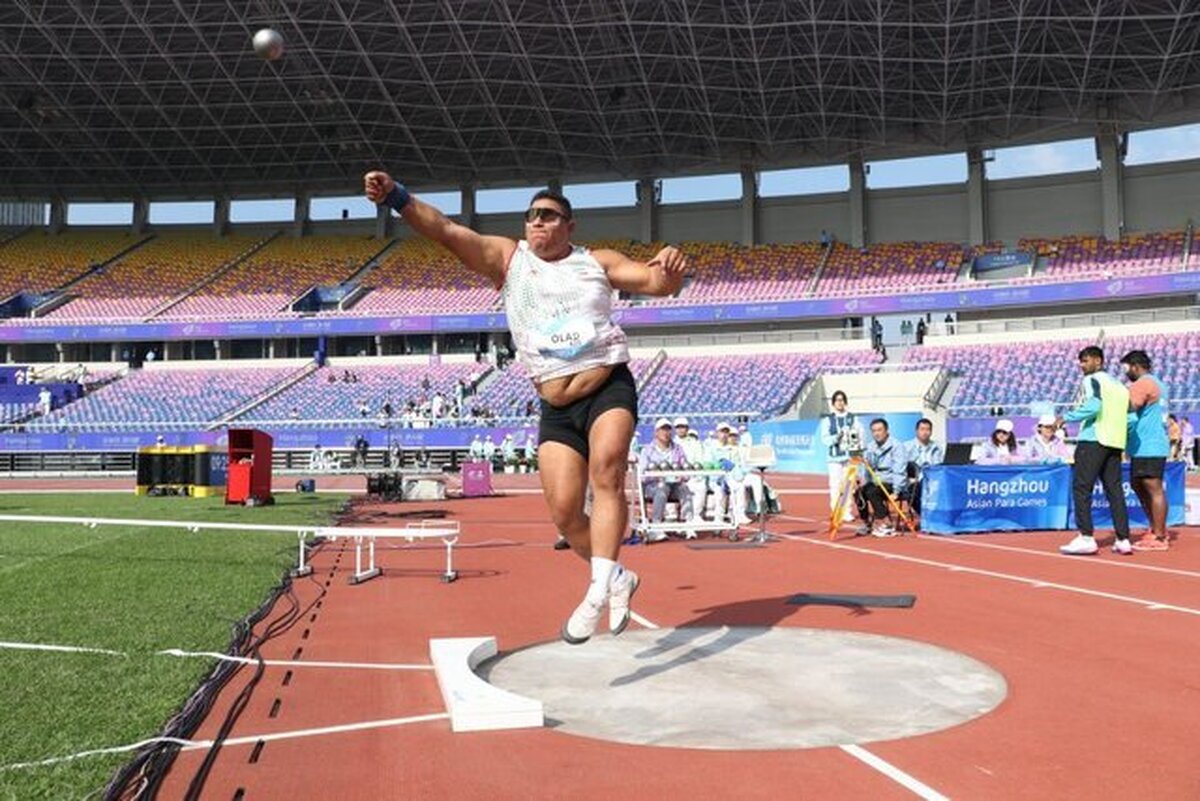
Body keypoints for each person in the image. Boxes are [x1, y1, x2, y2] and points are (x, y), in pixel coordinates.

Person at [365, 170, 685, 644]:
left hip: (607, 386)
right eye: (532, 216)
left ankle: (597, 591)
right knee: (564, 515)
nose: (537, 223)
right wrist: (397, 196)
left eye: (548, 216)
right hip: (555, 404)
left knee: (608, 470)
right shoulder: (509, 261)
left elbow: (656, 282)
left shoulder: (596, 262)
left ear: (569, 226)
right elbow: (447, 231)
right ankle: (618, 577)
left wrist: (670, 271)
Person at [1056, 346, 1132, 556]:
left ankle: (1086, 537)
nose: (1082, 365)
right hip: (1115, 442)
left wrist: (1066, 417)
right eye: (1080, 361)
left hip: (1094, 439)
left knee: (1082, 488)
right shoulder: (1120, 386)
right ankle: (1123, 538)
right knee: (1114, 491)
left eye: (1085, 360)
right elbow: (1131, 415)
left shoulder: (1092, 379)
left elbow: (1095, 405)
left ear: (1098, 361)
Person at [1122, 350, 1170, 551]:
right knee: (1139, 484)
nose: (1125, 374)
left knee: (1153, 487)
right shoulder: (1159, 383)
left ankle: (1159, 536)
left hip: (1148, 444)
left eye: (1126, 369)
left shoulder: (1143, 383)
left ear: (1135, 366)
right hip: (1148, 444)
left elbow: (1130, 406)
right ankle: (1156, 528)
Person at [638, 419, 692, 542]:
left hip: (674, 485)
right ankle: (656, 526)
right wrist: (657, 476)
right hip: (653, 487)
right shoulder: (647, 450)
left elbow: (684, 466)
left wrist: (683, 476)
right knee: (662, 488)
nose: (666, 432)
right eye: (663, 429)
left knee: (685, 489)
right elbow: (643, 473)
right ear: (656, 432)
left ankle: (688, 524)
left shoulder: (678, 448)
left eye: (668, 429)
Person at [854, 418, 907, 537]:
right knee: (859, 493)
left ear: (886, 431)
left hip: (892, 482)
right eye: (874, 431)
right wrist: (863, 480)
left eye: (879, 430)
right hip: (876, 480)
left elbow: (900, 470)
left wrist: (897, 491)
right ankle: (866, 523)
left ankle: (887, 523)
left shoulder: (897, 446)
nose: (877, 433)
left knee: (872, 491)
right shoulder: (870, 447)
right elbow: (867, 467)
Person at [820, 390, 863, 523]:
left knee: (848, 485)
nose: (840, 402)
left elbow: (860, 435)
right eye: (837, 400)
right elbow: (825, 439)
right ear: (833, 403)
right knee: (835, 484)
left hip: (849, 457)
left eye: (842, 400)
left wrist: (857, 453)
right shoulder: (828, 420)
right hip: (834, 458)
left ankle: (846, 511)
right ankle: (836, 510)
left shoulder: (853, 418)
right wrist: (836, 437)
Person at [904, 418, 943, 513]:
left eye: (928, 429)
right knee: (914, 490)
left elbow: (941, 465)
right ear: (916, 431)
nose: (925, 432)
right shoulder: (906, 446)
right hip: (915, 481)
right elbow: (901, 468)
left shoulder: (937, 447)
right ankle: (925, 516)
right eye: (922, 429)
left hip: (934, 479)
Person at [674, 417, 709, 523]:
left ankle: (697, 515)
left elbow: (700, 459)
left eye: (683, 427)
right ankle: (676, 517)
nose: (681, 429)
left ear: (687, 428)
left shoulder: (695, 443)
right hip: (676, 476)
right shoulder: (671, 442)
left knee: (701, 485)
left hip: (692, 475)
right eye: (678, 427)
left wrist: (694, 475)